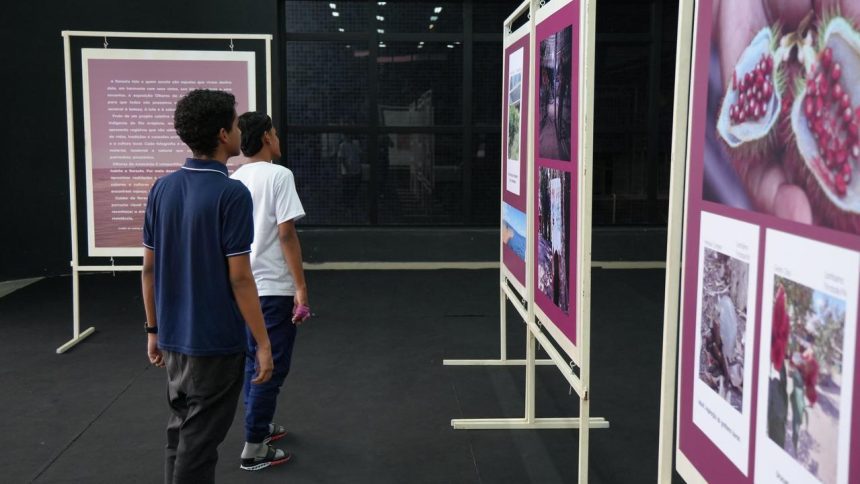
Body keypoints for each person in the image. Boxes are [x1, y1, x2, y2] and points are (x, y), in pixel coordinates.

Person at [141, 89, 275, 483]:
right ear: (222, 134)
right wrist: (263, 343)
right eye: (235, 125)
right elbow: (240, 276)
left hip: (173, 339)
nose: (239, 131)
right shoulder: (232, 193)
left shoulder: (161, 188)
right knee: (199, 445)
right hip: (215, 343)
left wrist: (153, 329)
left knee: (179, 433)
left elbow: (148, 269)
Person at [230, 111, 310, 471]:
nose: (278, 139)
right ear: (265, 137)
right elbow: (286, 233)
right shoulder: (280, 175)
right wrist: (301, 287)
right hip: (273, 289)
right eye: (275, 133)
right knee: (270, 366)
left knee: (253, 360)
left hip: (242, 288)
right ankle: (253, 447)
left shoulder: (235, 178)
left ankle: (257, 427)